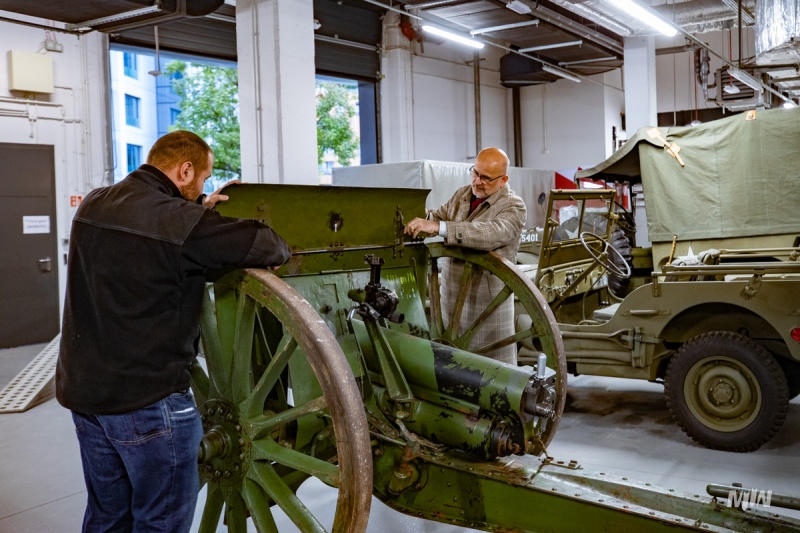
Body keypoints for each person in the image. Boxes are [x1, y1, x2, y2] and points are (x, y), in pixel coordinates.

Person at [56, 130, 291, 533]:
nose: (203, 186)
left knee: (107, 517)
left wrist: (197, 208)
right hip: (148, 402)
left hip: (85, 395)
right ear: (185, 170)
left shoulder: (94, 203)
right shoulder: (181, 223)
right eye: (202, 178)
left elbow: (150, 256)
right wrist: (203, 216)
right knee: (160, 523)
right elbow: (268, 245)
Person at [404, 147, 526, 364]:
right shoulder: (463, 194)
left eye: (485, 178)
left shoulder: (514, 207)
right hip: (451, 301)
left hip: (486, 308)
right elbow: (439, 216)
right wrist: (419, 214)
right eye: (475, 173)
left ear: (503, 179)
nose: (477, 182)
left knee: (492, 375)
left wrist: (438, 227)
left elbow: (490, 233)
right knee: (452, 368)